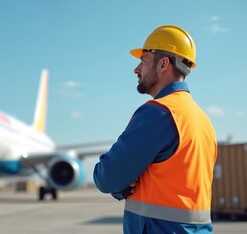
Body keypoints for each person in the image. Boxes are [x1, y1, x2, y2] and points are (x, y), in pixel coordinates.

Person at [93, 25, 217, 233]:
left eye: (143, 61)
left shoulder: (158, 113)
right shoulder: (202, 120)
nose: (136, 69)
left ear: (163, 64)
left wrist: (121, 185)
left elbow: (107, 177)